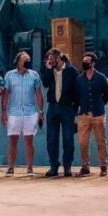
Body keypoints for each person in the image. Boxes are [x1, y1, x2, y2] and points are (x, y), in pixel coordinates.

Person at [2, 50, 44, 175]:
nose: (27, 62)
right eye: (25, 60)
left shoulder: (34, 75)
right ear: (18, 62)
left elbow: (39, 94)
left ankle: (30, 167)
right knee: (13, 140)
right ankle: (11, 167)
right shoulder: (9, 75)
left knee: (29, 140)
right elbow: (6, 95)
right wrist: (4, 112)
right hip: (14, 112)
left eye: (28, 60)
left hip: (30, 112)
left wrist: (41, 112)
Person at [41, 48, 79, 177]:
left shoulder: (72, 71)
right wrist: (48, 68)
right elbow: (45, 84)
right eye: (48, 59)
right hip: (53, 107)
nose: (50, 61)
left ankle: (67, 166)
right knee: (51, 138)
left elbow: (76, 92)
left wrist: (76, 111)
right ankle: (53, 166)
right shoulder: (50, 71)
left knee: (68, 138)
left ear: (59, 58)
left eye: (52, 59)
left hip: (67, 108)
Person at [75, 52, 108, 177]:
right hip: (83, 114)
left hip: (98, 114)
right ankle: (85, 166)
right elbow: (77, 96)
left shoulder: (100, 78)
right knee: (83, 142)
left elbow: (106, 94)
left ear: (93, 63)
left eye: (87, 61)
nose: (84, 63)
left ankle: (104, 166)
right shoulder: (79, 79)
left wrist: (100, 104)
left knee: (101, 141)